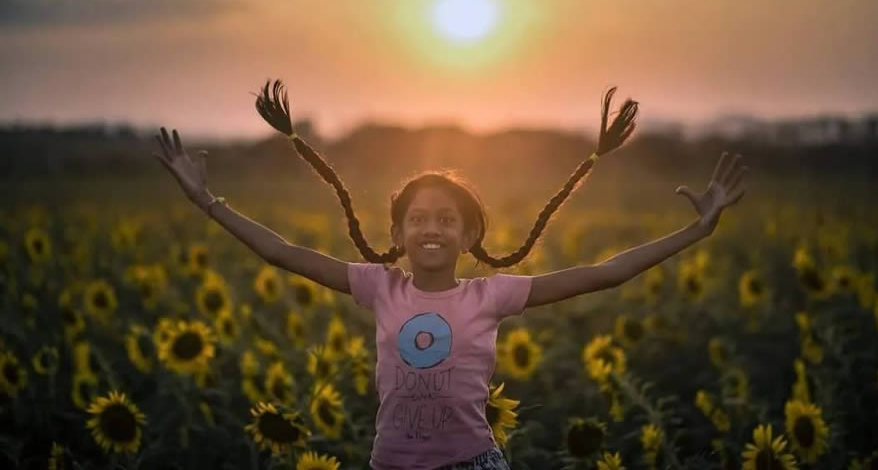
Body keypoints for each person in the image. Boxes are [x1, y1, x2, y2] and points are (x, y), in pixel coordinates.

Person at [153, 80, 748, 470]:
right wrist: (209, 203)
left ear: (469, 237)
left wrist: (695, 232)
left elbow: (603, 275)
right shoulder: (377, 286)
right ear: (397, 236)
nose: (431, 228)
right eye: (417, 219)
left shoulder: (493, 295)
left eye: (446, 218)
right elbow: (282, 253)